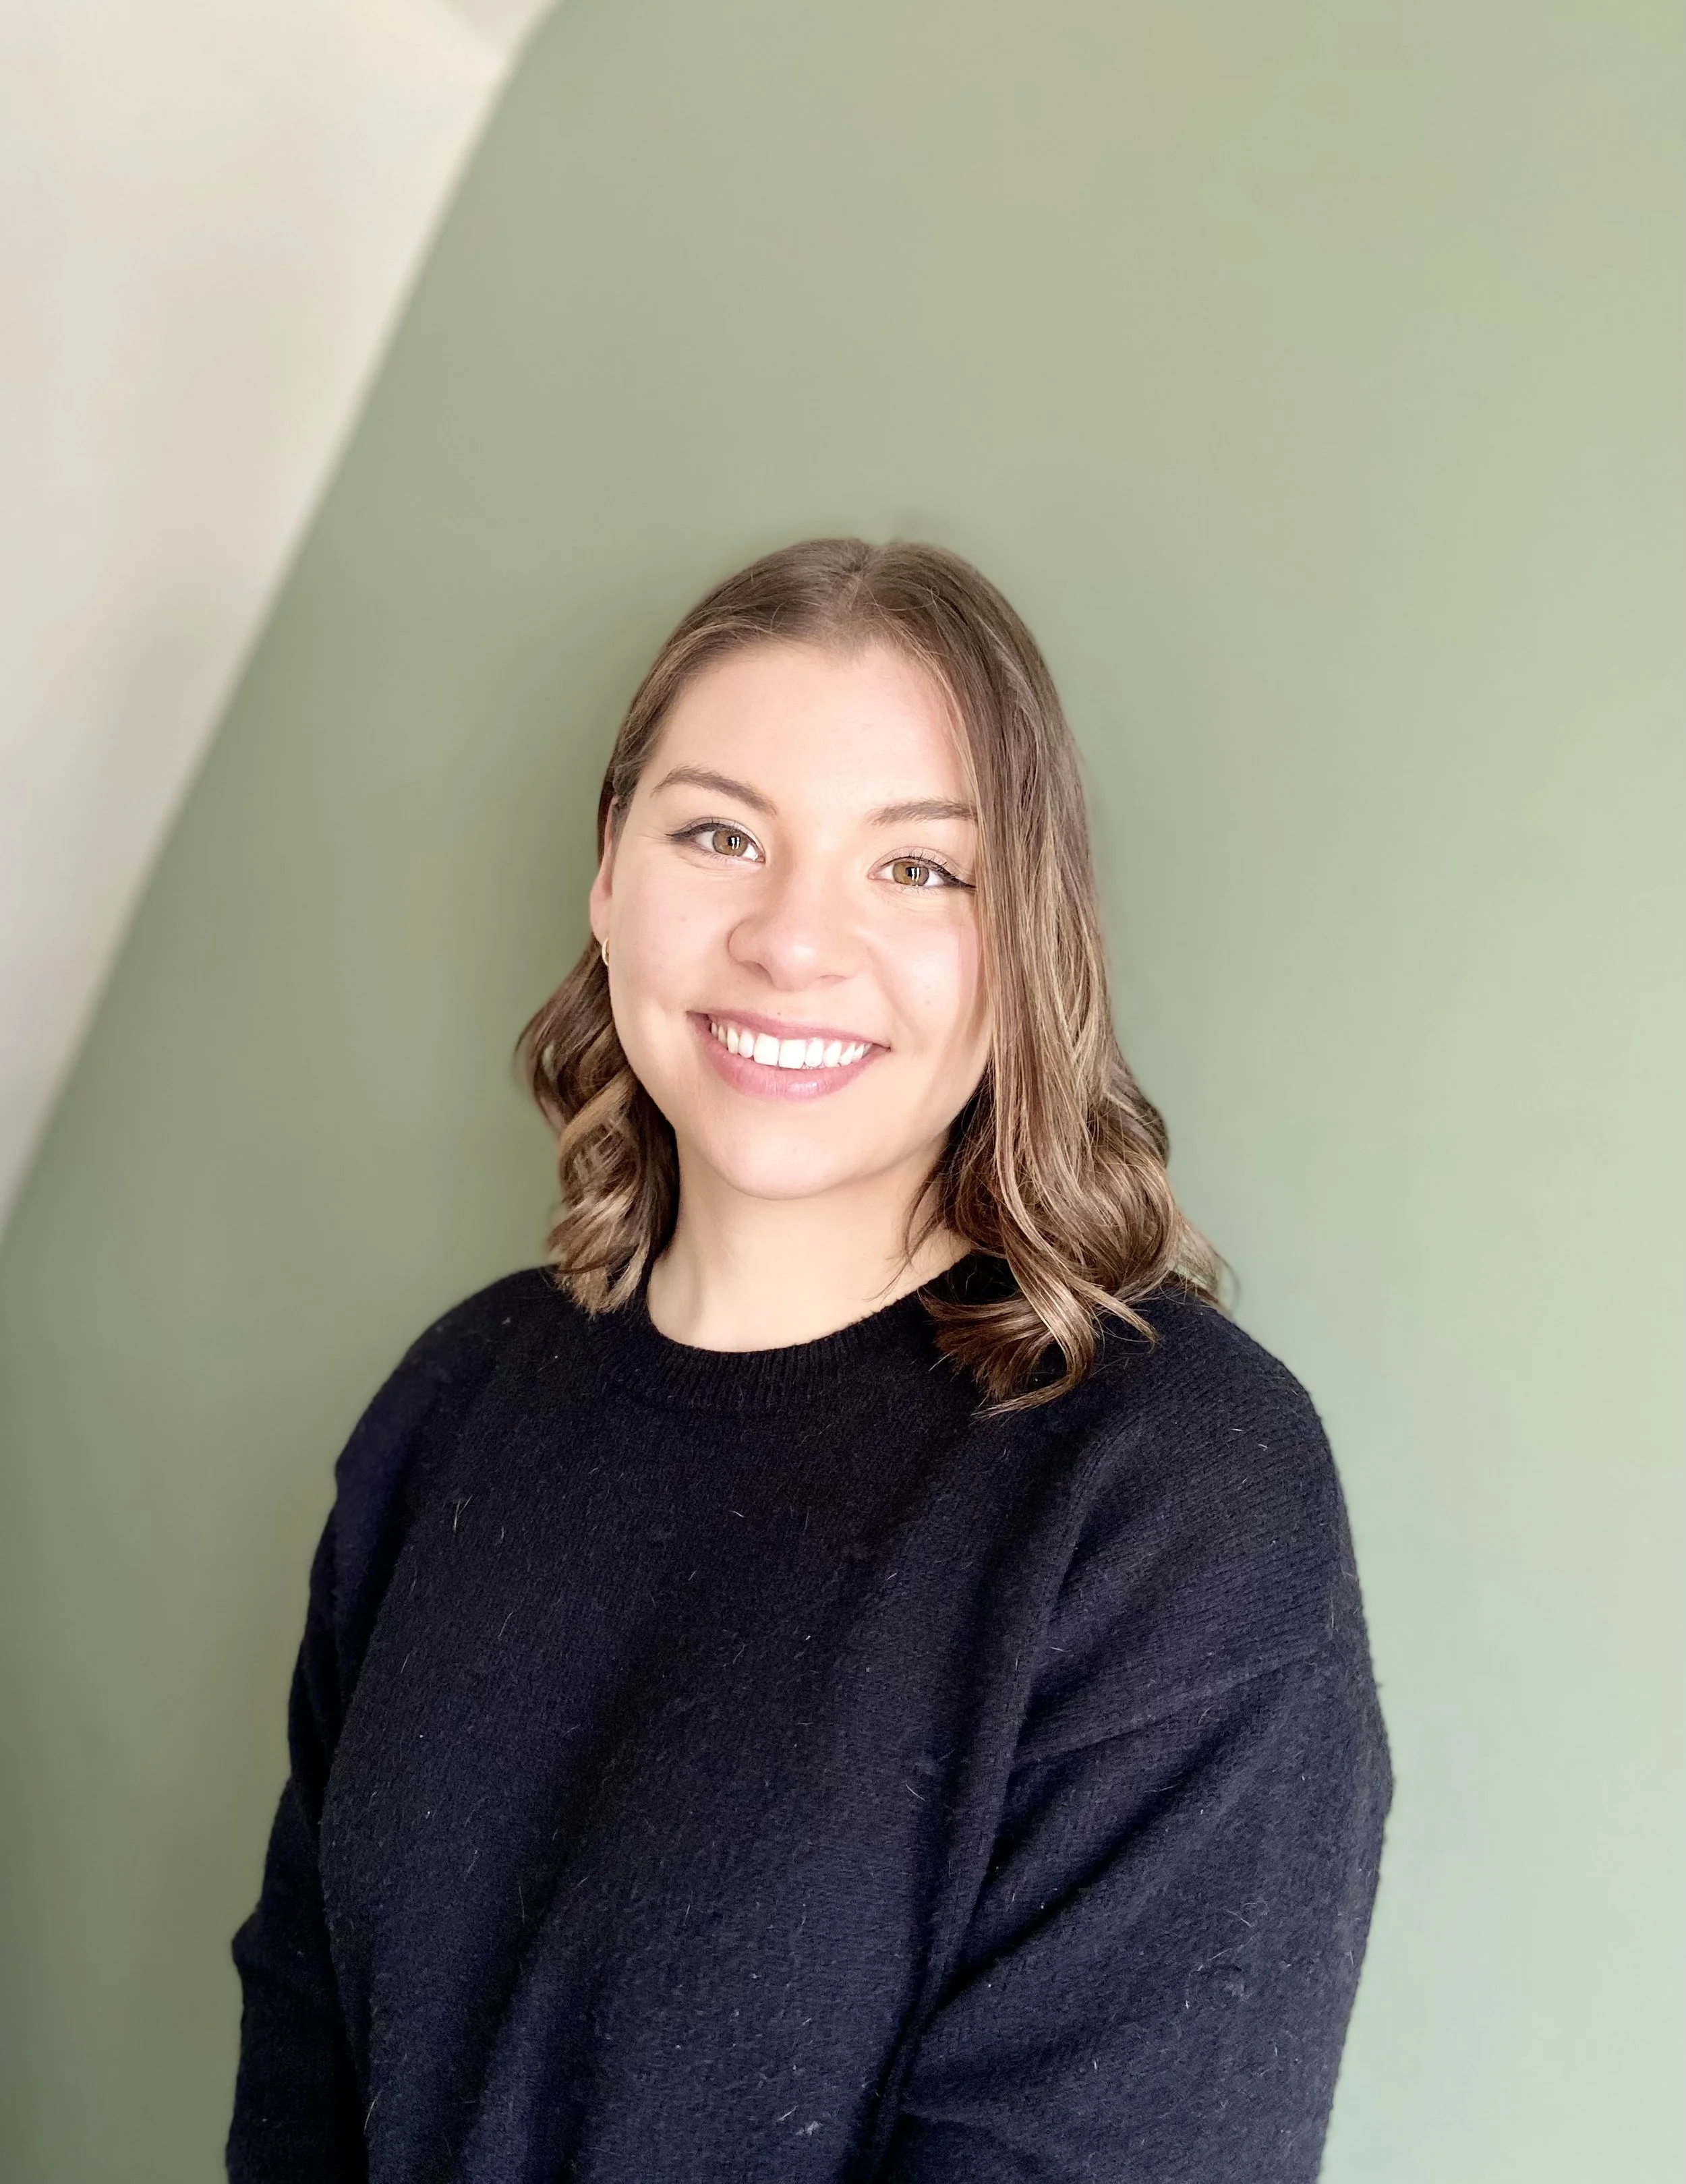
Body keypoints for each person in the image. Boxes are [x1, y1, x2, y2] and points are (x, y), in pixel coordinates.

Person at [226, 537, 1392, 2182]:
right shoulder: (453, 1402)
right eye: (719, 833)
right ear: (608, 877)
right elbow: (304, 2057)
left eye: (917, 869)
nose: (792, 939)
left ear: (1025, 940)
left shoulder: (1172, 1483)